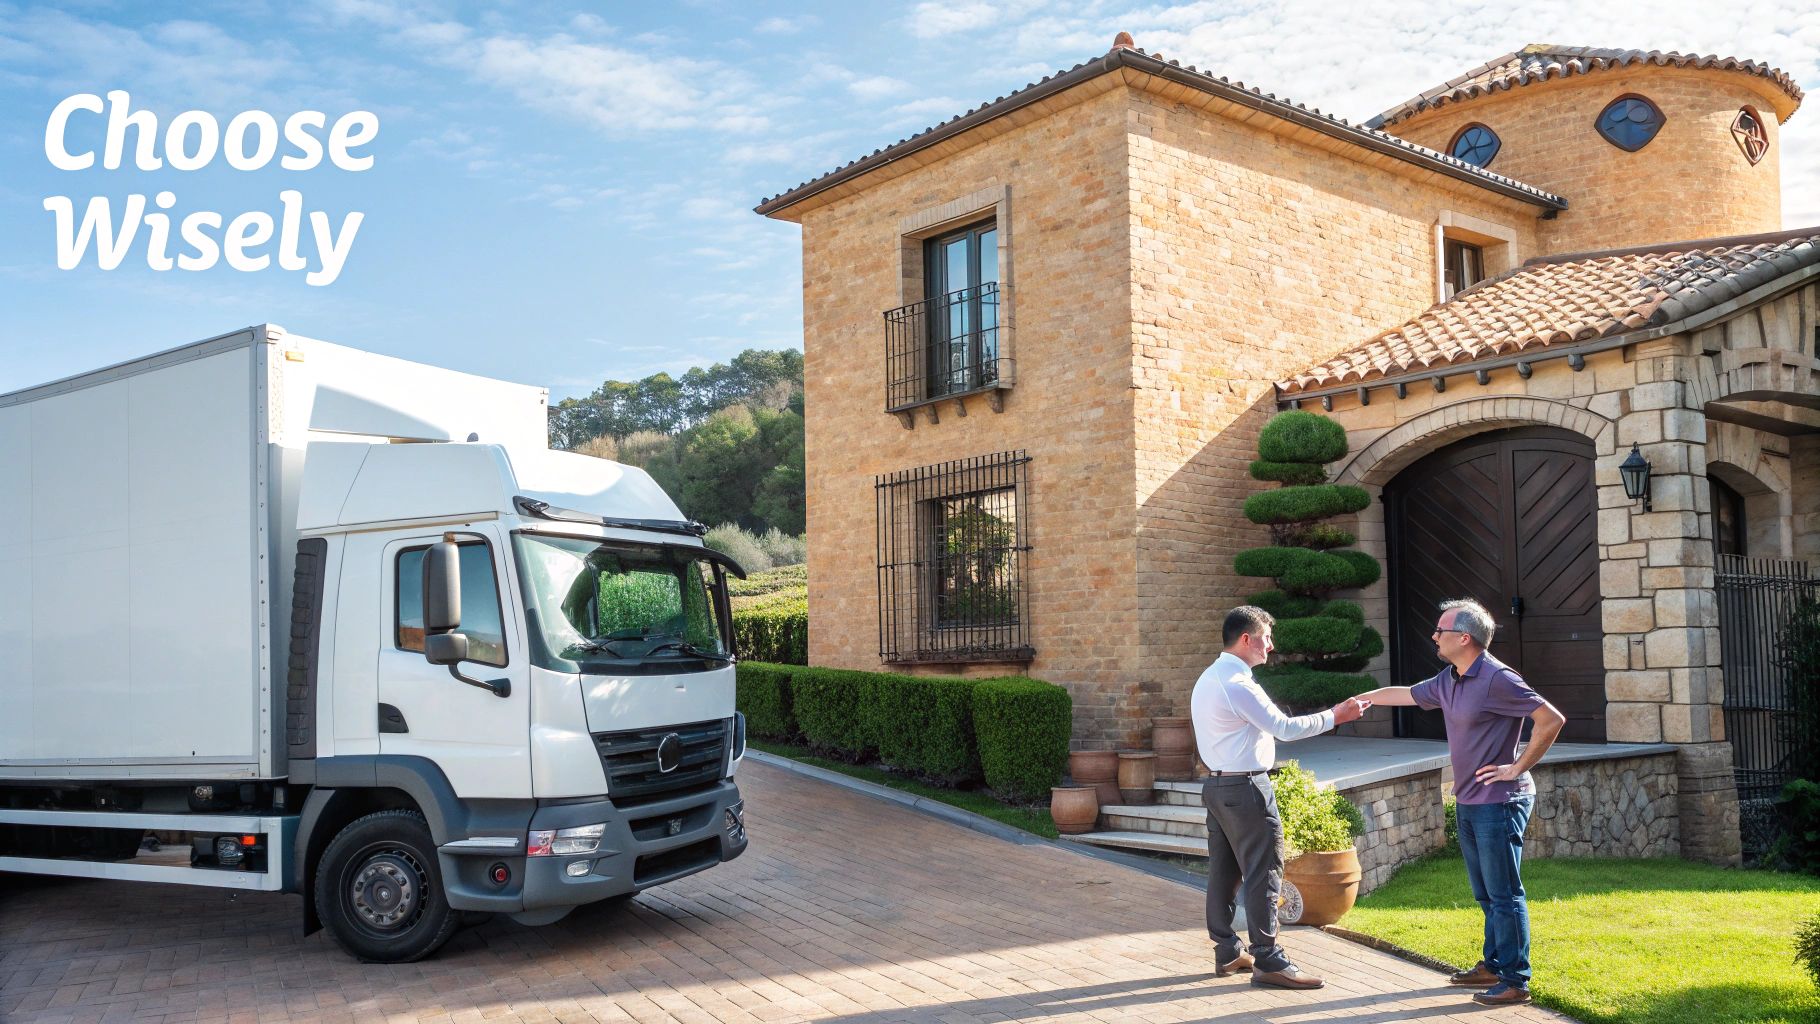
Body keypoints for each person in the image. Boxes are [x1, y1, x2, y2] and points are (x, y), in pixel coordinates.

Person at [1358, 598, 1566, 1007]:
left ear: (1465, 638)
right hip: (1470, 798)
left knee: (1504, 894)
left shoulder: (1497, 678)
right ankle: (1493, 965)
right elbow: (1408, 694)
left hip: (1500, 801)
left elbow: (1551, 719)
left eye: (1441, 630)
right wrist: (1360, 700)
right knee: (1486, 894)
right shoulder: (1450, 677)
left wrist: (1516, 767)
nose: (1434, 635)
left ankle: (1516, 981)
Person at [1192, 605, 1368, 990]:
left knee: (1224, 872)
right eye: (1266, 638)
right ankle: (1269, 959)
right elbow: (1284, 728)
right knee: (1265, 872)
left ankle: (1227, 950)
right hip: (1247, 789)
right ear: (1246, 639)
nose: (1270, 646)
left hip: (1218, 787)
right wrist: (1336, 715)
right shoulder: (1238, 683)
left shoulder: (1209, 677)